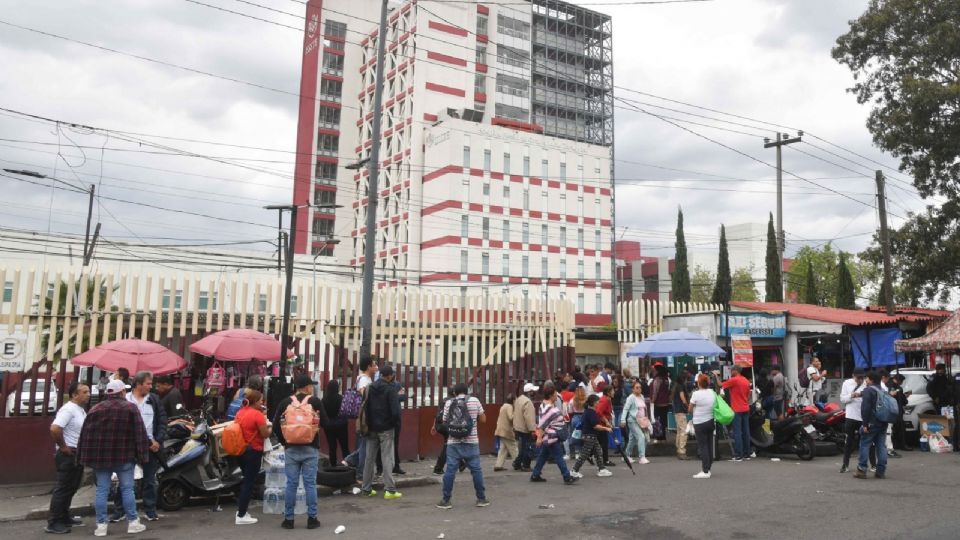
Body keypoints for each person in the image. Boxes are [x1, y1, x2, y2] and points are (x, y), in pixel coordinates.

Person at [78, 380, 150, 536]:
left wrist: (83, 457)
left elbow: (85, 435)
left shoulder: (95, 409)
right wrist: (143, 456)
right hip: (124, 457)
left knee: (101, 491)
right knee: (127, 489)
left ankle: (101, 525)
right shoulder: (130, 408)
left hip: (101, 458)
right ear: (123, 392)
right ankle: (132, 522)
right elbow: (140, 433)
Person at [272, 374, 329, 530]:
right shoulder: (315, 401)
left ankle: (289, 520)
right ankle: (312, 519)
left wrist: (285, 442)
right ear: (306, 387)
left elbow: (275, 424)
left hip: (291, 449)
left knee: (291, 484)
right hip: (310, 448)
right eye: (311, 385)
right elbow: (326, 422)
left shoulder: (285, 402)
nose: (312, 388)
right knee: (310, 484)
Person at [109, 371, 166, 523]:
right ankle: (120, 510)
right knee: (125, 480)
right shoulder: (125, 399)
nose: (150, 386)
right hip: (129, 447)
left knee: (149, 480)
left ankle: (150, 510)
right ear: (139, 384)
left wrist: (158, 440)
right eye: (148, 383)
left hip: (151, 446)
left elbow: (162, 421)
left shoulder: (154, 399)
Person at [45, 382, 90, 534]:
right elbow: (55, 428)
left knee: (72, 487)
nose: (88, 394)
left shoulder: (80, 410)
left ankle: (64, 516)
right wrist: (63, 447)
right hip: (67, 455)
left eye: (88, 391)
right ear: (74, 395)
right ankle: (53, 522)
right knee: (63, 488)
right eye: (84, 392)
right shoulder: (68, 409)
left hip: (77, 454)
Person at [436, 383, 489, 509]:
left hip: (453, 443)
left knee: (450, 471)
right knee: (476, 470)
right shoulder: (474, 400)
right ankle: (481, 499)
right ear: (467, 391)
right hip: (471, 441)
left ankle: (446, 500)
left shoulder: (449, 403)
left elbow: (444, 422)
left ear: (454, 392)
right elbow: (483, 420)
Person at [360, 365, 403, 500]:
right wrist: (395, 424)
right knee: (387, 458)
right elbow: (395, 412)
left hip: (371, 428)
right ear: (389, 375)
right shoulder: (390, 390)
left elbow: (365, 406)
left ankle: (366, 489)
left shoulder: (370, 388)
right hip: (386, 428)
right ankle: (389, 490)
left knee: (369, 459)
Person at [234, 388, 271, 525]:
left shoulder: (240, 412)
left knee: (246, 481)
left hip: (241, 450)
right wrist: (270, 427)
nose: (262, 402)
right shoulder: (257, 415)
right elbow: (265, 434)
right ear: (255, 401)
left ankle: (242, 511)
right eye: (261, 400)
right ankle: (241, 515)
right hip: (254, 451)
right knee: (249, 483)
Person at [529, 385, 578, 485]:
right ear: (551, 396)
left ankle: (535, 474)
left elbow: (542, 423)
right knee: (559, 457)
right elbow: (543, 424)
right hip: (552, 436)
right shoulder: (550, 409)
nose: (557, 396)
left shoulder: (543, 405)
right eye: (555, 394)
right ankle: (567, 476)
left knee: (543, 456)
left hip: (548, 436)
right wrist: (539, 437)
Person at [343, 358, 378, 480]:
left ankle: (353, 463)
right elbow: (366, 396)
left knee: (365, 444)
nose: (376, 367)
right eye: (374, 365)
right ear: (369, 367)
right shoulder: (364, 380)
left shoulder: (365, 378)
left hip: (364, 415)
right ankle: (359, 471)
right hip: (365, 417)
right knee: (365, 445)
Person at [854, 371, 889, 479]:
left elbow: (866, 408)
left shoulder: (869, 390)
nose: (865, 380)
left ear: (871, 380)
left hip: (871, 422)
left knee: (865, 444)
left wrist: (865, 424)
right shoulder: (883, 390)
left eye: (867, 379)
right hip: (883, 422)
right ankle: (881, 471)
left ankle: (861, 470)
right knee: (881, 446)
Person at [839, 368, 875, 473]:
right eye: (858, 377)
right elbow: (842, 399)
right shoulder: (847, 383)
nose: (860, 379)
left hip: (864, 416)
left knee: (869, 441)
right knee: (848, 441)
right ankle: (845, 465)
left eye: (862, 377)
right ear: (853, 375)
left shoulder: (867, 383)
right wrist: (851, 395)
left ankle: (873, 464)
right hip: (851, 416)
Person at [571, 394, 612, 478]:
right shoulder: (591, 413)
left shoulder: (588, 411)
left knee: (598, 452)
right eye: (597, 402)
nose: (598, 403)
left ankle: (602, 469)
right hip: (589, 436)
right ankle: (574, 470)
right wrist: (606, 428)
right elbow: (595, 426)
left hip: (590, 436)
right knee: (584, 454)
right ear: (593, 403)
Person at [717, 366, 752, 462]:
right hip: (746, 408)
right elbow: (749, 395)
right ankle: (747, 454)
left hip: (737, 409)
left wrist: (716, 376)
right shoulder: (745, 380)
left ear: (735, 371)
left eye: (731, 371)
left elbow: (720, 384)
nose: (730, 372)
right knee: (746, 431)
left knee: (737, 432)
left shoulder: (734, 380)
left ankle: (738, 455)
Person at [688, 373, 716, 479]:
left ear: (699, 383)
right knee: (709, 445)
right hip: (710, 420)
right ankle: (708, 468)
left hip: (699, 422)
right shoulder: (712, 392)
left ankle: (705, 470)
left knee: (703, 446)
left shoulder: (696, 394)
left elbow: (690, 409)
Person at [321, 380, 350, 465]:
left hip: (329, 426)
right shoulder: (341, 398)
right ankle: (346, 464)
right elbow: (345, 412)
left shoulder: (324, 399)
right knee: (344, 446)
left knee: (332, 446)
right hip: (341, 425)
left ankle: (333, 464)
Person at [621, 380, 649, 464]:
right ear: (633, 389)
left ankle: (626, 455)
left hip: (642, 420)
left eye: (640, 387)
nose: (639, 389)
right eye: (637, 388)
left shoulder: (642, 396)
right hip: (632, 420)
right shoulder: (631, 397)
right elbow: (626, 409)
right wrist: (623, 420)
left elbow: (644, 408)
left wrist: (647, 419)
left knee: (632, 439)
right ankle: (642, 457)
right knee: (641, 437)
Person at [512, 383, 537, 472]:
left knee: (523, 447)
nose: (534, 393)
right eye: (533, 391)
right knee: (528, 447)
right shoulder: (528, 402)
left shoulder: (519, 399)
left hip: (518, 427)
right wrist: (532, 430)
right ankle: (526, 465)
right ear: (530, 392)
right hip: (525, 428)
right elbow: (529, 417)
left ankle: (517, 463)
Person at [671, 370, 692, 460]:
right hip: (681, 411)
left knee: (679, 431)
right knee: (684, 431)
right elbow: (683, 398)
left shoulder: (675, 386)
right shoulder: (680, 387)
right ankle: (682, 451)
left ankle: (678, 448)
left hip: (676, 411)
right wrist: (688, 406)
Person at [493, 394, 518, 471]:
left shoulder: (503, 406)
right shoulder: (509, 407)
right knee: (513, 447)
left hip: (500, 430)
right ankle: (518, 463)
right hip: (506, 431)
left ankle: (498, 465)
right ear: (513, 400)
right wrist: (517, 415)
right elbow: (511, 417)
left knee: (503, 449)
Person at [888, 374, 911, 451]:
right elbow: (903, 401)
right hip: (897, 410)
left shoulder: (887, 385)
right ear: (899, 380)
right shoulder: (897, 388)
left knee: (894, 428)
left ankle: (896, 444)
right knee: (900, 428)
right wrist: (905, 397)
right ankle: (902, 445)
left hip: (891, 410)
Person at [595, 385, 616, 467]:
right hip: (601, 424)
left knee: (599, 442)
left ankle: (589, 454)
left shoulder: (607, 399)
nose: (614, 392)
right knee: (604, 442)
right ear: (608, 392)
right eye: (612, 390)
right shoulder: (605, 400)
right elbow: (598, 412)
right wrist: (606, 421)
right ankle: (605, 460)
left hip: (603, 423)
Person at [649, 365, 671, 443]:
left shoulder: (657, 380)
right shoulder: (666, 379)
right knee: (664, 420)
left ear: (657, 371)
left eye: (654, 370)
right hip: (665, 402)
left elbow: (655, 391)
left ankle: (658, 437)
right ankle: (663, 437)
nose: (653, 372)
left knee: (657, 420)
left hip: (658, 403)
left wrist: (652, 401)